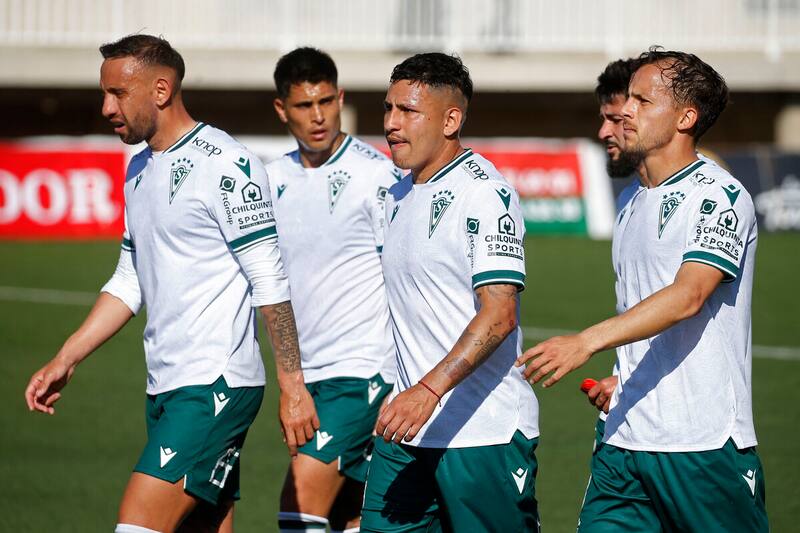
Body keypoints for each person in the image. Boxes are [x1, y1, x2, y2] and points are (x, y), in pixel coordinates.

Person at [23, 34, 313, 533]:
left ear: (160, 89)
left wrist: (293, 386)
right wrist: (66, 357)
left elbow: (269, 279)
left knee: (136, 526)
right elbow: (129, 277)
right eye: (104, 93)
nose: (105, 107)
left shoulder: (227, 164)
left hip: (215, 387)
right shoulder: (139, 169)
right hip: (166, 387)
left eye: (117, 93)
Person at [517, 47, 769, 532]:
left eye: (642, 101)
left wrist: (586, 341)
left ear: (685, 117)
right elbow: (647, 315)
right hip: (624, 444)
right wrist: (627, 378)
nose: (625, 111)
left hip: (702, 446)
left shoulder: (719, 196)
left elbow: (688, 295)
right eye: (626, 99)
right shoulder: (632, 201)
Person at [362, 52, 540, 532]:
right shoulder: (395, 197)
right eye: (388, 109)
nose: (391, 124)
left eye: (408, 111)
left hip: (482, 433)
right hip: (406, 430)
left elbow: (500, 315)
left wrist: (427, 390)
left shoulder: (485, 193)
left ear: (451, 119)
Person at [266, 47, 399, 533]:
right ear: (282, 109)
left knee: (297, 507)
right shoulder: (270, 179)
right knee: (350, 517)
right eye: (304, 106)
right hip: (307, 377)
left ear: (340, 97)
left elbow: (403, 276)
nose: (318, 116)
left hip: (362, 371)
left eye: (326, 101)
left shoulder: (377, 174)